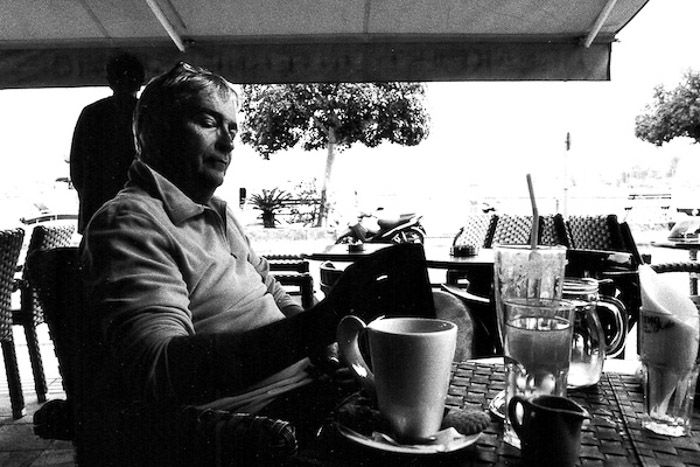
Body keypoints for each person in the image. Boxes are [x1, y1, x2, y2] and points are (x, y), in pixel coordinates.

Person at [69, 52, 145, 234]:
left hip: (96, 212)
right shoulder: (147, 113)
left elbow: (77, 168)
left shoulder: (91, 113)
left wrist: (89, 196)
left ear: (109, 80)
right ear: (141, 81)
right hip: (139, 215)